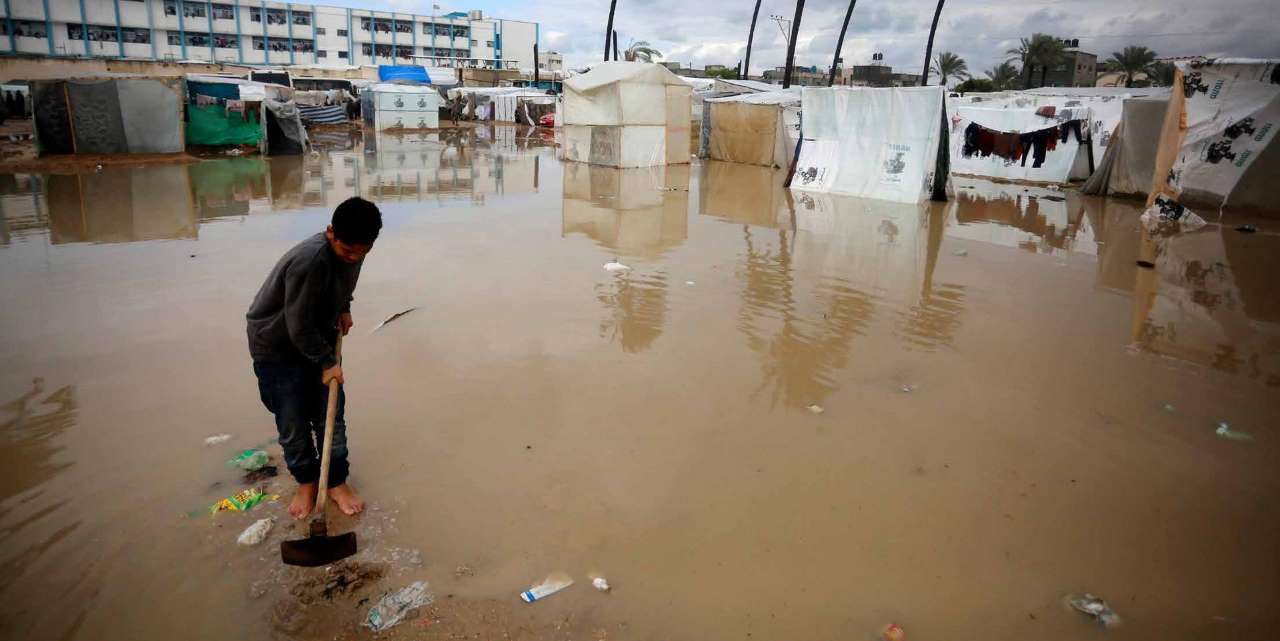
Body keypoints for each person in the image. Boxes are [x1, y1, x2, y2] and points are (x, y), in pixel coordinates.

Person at [246, 197, 382, 519]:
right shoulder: (309, 262)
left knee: (330, 417)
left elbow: (343, 280)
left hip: (315, 338)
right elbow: (298, 325)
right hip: (277, 346)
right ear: (330, 232)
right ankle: (307, 483)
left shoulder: (355, 250)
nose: (354, 258)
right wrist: (327, 363)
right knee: (292, 421)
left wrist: (344, 306)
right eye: (347, 251)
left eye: (360, 252)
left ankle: (335, 482)